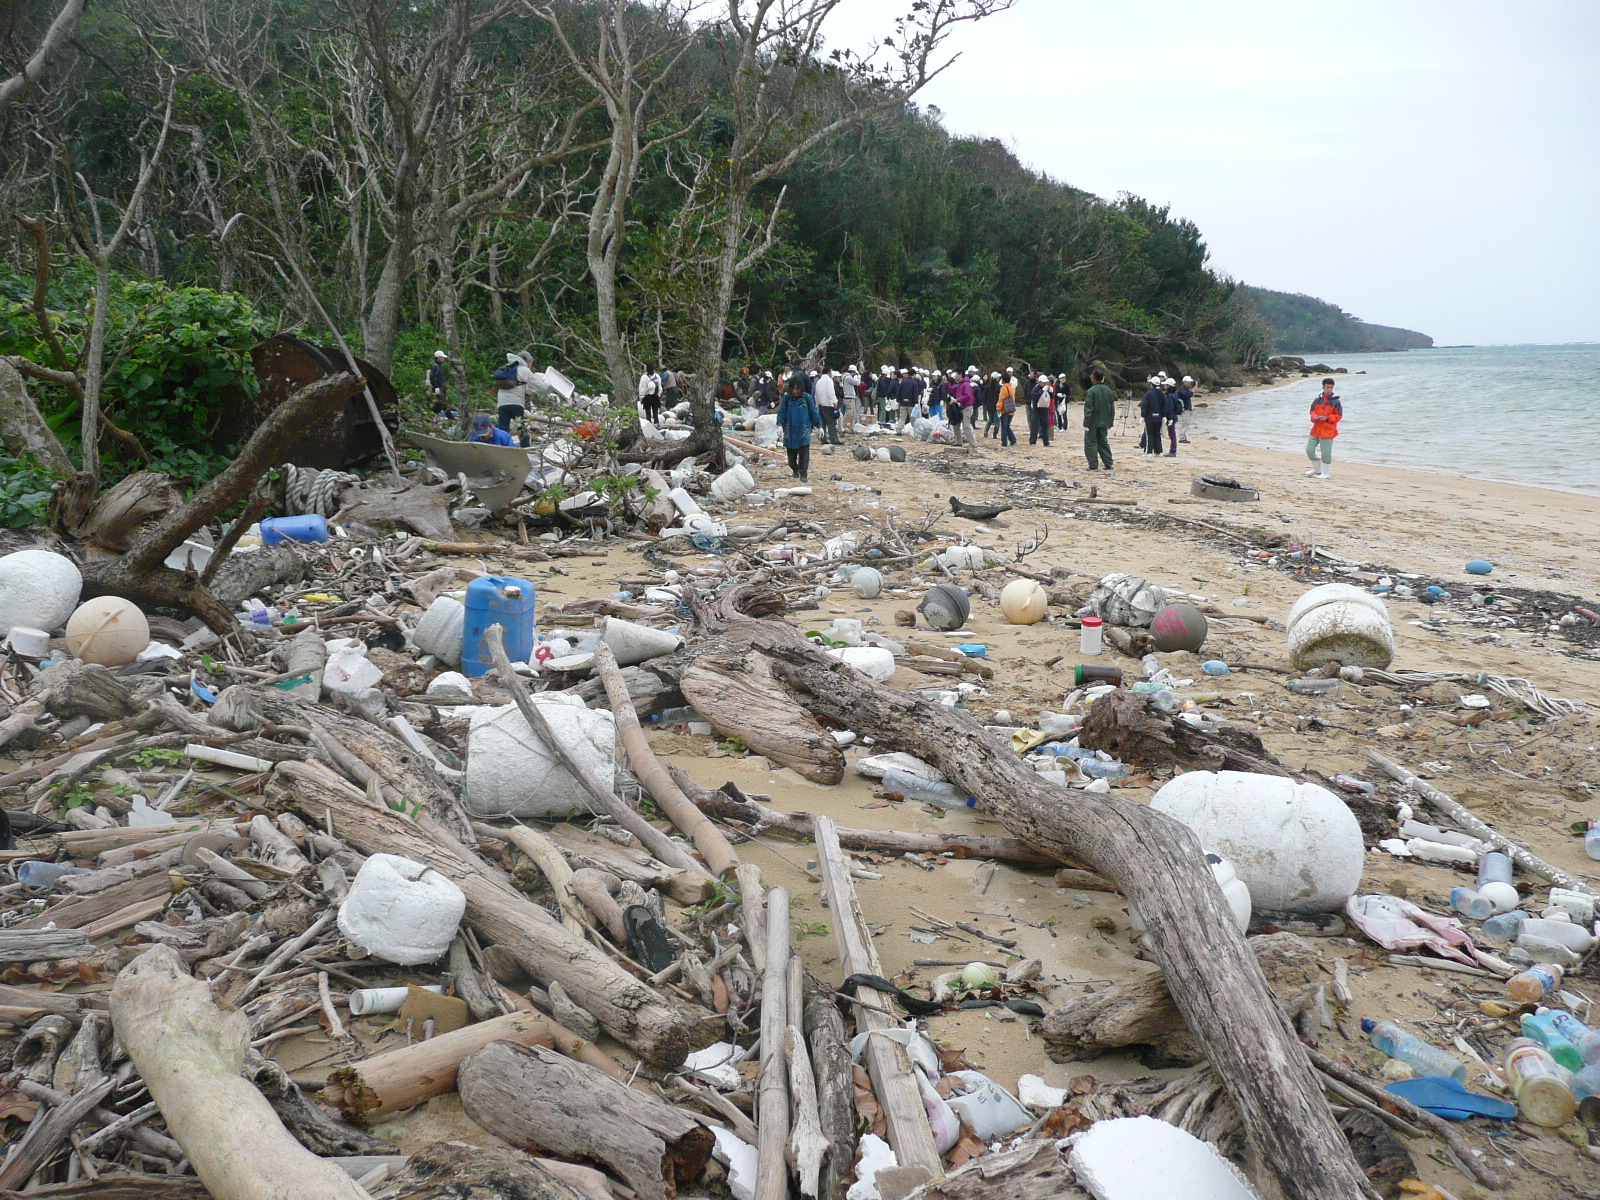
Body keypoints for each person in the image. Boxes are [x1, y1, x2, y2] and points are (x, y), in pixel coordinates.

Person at [777, 376, 821, 481]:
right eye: (793, 389)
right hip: (790, 431)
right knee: (791, 459)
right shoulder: (787, 399)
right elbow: (782, 412)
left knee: (804, 454)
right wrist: (779, 424)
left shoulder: (807, 398)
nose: (795, 391)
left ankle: (803, 474)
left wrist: (819, 426)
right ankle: (795, 469)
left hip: (803, 430)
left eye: (797, 389)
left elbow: (814, 412)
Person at [493, 351, 535, 444]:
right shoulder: (524, 370)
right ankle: (525, 447)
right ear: (527, 361)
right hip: (516, 404)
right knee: (520, 427)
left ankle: (501, 447)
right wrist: (547, 383)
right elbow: (538, 385)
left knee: (503, 428)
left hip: (502, 404)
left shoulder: (507, 369)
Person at [1305, 377, 1342, 480]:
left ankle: (1326, 472)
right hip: (1316, 429)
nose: (1329, 389)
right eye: (1327, 387)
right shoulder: (1317, 400)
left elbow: (1338, 416)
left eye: (1331, 387)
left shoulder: (1336, 402)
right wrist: (1315, 417)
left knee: (1326, 453)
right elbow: (1312, 411)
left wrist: (1327, 418)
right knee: (1309, 450)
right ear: (1323, 387)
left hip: (1328, 430)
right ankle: (1317, 469)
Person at [1082, 367, 1116, 470]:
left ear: (1093, 378)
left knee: (1090, 443)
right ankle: (1109, 463)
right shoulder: (1109, 391)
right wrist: (1110, 421)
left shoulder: (1091, 391)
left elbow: (1088, 409)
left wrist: (1086, 423)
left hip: (1092, 422)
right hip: (1104, 422)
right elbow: (1112, 409)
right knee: (1103, 443)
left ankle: (1093, 465)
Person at [814, 368, 841, 445]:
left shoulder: (818, 381)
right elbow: (830, 392)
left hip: (820, 404)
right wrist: (835, 402)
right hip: (828, 404)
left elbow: (816, 394)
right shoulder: (828, 381)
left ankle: (823, 439)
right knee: (831, 423)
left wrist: (817, 404)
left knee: (823, 424)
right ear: (829, 372)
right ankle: (834, 440)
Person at [1140, 377, 1165, 455]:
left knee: (1149, 434)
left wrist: (1143, 416)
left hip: (1149, 417)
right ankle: (1158, 451)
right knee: (1157, 434)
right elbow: (1165, 405)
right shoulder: (1161, 394)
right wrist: (1164, 416)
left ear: (1151, 384)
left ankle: (1149, 452)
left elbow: (1144, 405)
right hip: (1159, 418)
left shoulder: (1148, 394)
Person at [895, 367, 921, 433]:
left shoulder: (903, 382)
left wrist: (898, 400)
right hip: (911, 403)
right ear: (913, 375)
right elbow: (915, 394)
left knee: (902, 418)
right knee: (912, 418)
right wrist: (916, 402)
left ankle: (898, 430)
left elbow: (898, 392)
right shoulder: (914, 383)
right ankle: (916, 431)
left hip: (902, 403)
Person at [1163, 378, 1182, 456]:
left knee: (1172, 434)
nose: (1164, 386)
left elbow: (1170, 408)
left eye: (1165, 385)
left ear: (1168, 386)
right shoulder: (1173, 395)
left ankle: (1173, 451)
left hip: (1171, 417)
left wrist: (1170, 418)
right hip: (1172, 416)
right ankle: (1172, 450)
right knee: (1172, 434)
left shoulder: (1170, 396)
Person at [998, 371, 1018, 447]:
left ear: (1003, 380)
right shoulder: (1011, 388)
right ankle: (1013, 440)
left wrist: (999, 408)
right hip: (1011, 408)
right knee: (1007, 426)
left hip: (1004, 410)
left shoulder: (1003, 388)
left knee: (1004, 427)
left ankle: (1004, 442)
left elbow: (1001, 399)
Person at [428, 350, 450, 415]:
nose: (443, 359)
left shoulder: (439, 366)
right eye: (442, 357)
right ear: (438, 358)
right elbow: (432, 378)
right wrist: (436, 387)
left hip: (441, 388)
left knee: (441, 404)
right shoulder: (435, 366)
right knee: (442, 403)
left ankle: (433, 414)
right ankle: (451, 417)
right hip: (439, 388)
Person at [982, 371, 1001, 438]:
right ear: (997, 378)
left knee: (990, 419)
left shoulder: (987, 387)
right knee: (997, 421)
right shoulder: (999, 387)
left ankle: (986, 431)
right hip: (997, 406)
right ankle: (994, 435)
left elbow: (984, 397)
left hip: (989, 405)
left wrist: (986, 404)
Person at [1177, 375, 1195, 442]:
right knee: (1185, 422)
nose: (1190, 383)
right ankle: (1182, 437)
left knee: (1186, 423)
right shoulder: (1182, 389)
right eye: (1189, 381)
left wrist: (1190, 409)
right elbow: (1187, 396)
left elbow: (1187, 398)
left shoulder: (1185, 389)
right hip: (1184, 409)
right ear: (1185, 382)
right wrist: (1192, 392)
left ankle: (1183, 436)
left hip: (1186, 408)